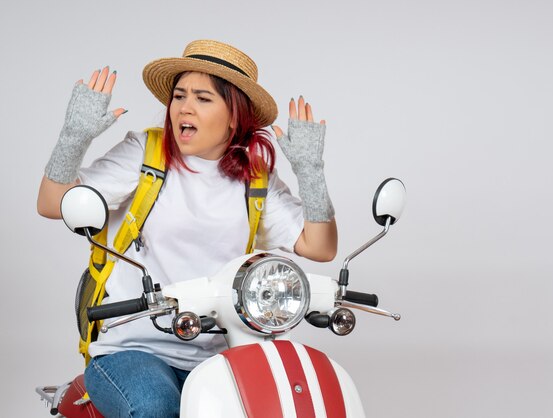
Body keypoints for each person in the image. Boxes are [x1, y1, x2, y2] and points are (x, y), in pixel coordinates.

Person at [37, 39, 337, 417]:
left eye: (203, 98)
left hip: (218, 354)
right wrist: (73, 138)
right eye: (179, 96)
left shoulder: (255, 181)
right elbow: (51, 204)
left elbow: (320, 247)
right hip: (132, 350)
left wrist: (311, 173)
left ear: (234, 116)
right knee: (156, 407)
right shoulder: (146, 155)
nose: (184, 107)